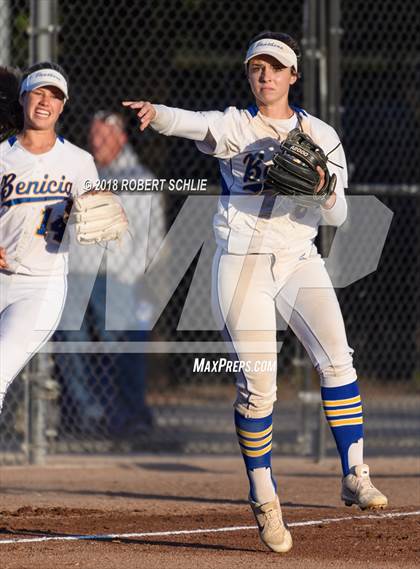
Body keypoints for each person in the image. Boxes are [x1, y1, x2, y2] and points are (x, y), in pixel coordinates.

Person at [123, 31, 388, 554]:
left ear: (293, 76)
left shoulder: (321, 134)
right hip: (240, 265)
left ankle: (355, 472)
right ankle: (264, 496)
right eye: (256, 67)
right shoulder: (237, 126)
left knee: (338, 360)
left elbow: (342, 214)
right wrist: (160, 113)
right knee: (259, 387)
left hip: (298, 260)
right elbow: (195, 122)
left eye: (274, 67)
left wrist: (324, 190)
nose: (264, 75)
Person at [55, 110, 165, 438]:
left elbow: (150, 239)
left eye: (104, 136)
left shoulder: (139, 179)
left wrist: (125, 277)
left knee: (117, 347)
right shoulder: (82, 174)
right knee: (70, 343)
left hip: (115, 279)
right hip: (76, 275)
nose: (95, 142)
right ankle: (81, 415)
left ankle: (125, 417)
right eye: (93, 135)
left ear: (121, 138)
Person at [0, 62, 99, 415]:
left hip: (39, 288)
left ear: (63, 105)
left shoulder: (79, 162)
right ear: (24, 97)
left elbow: (96, 227)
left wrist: (95, 219)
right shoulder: (2, 156)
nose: (46, 102)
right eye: (39, 92)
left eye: (55, 96)